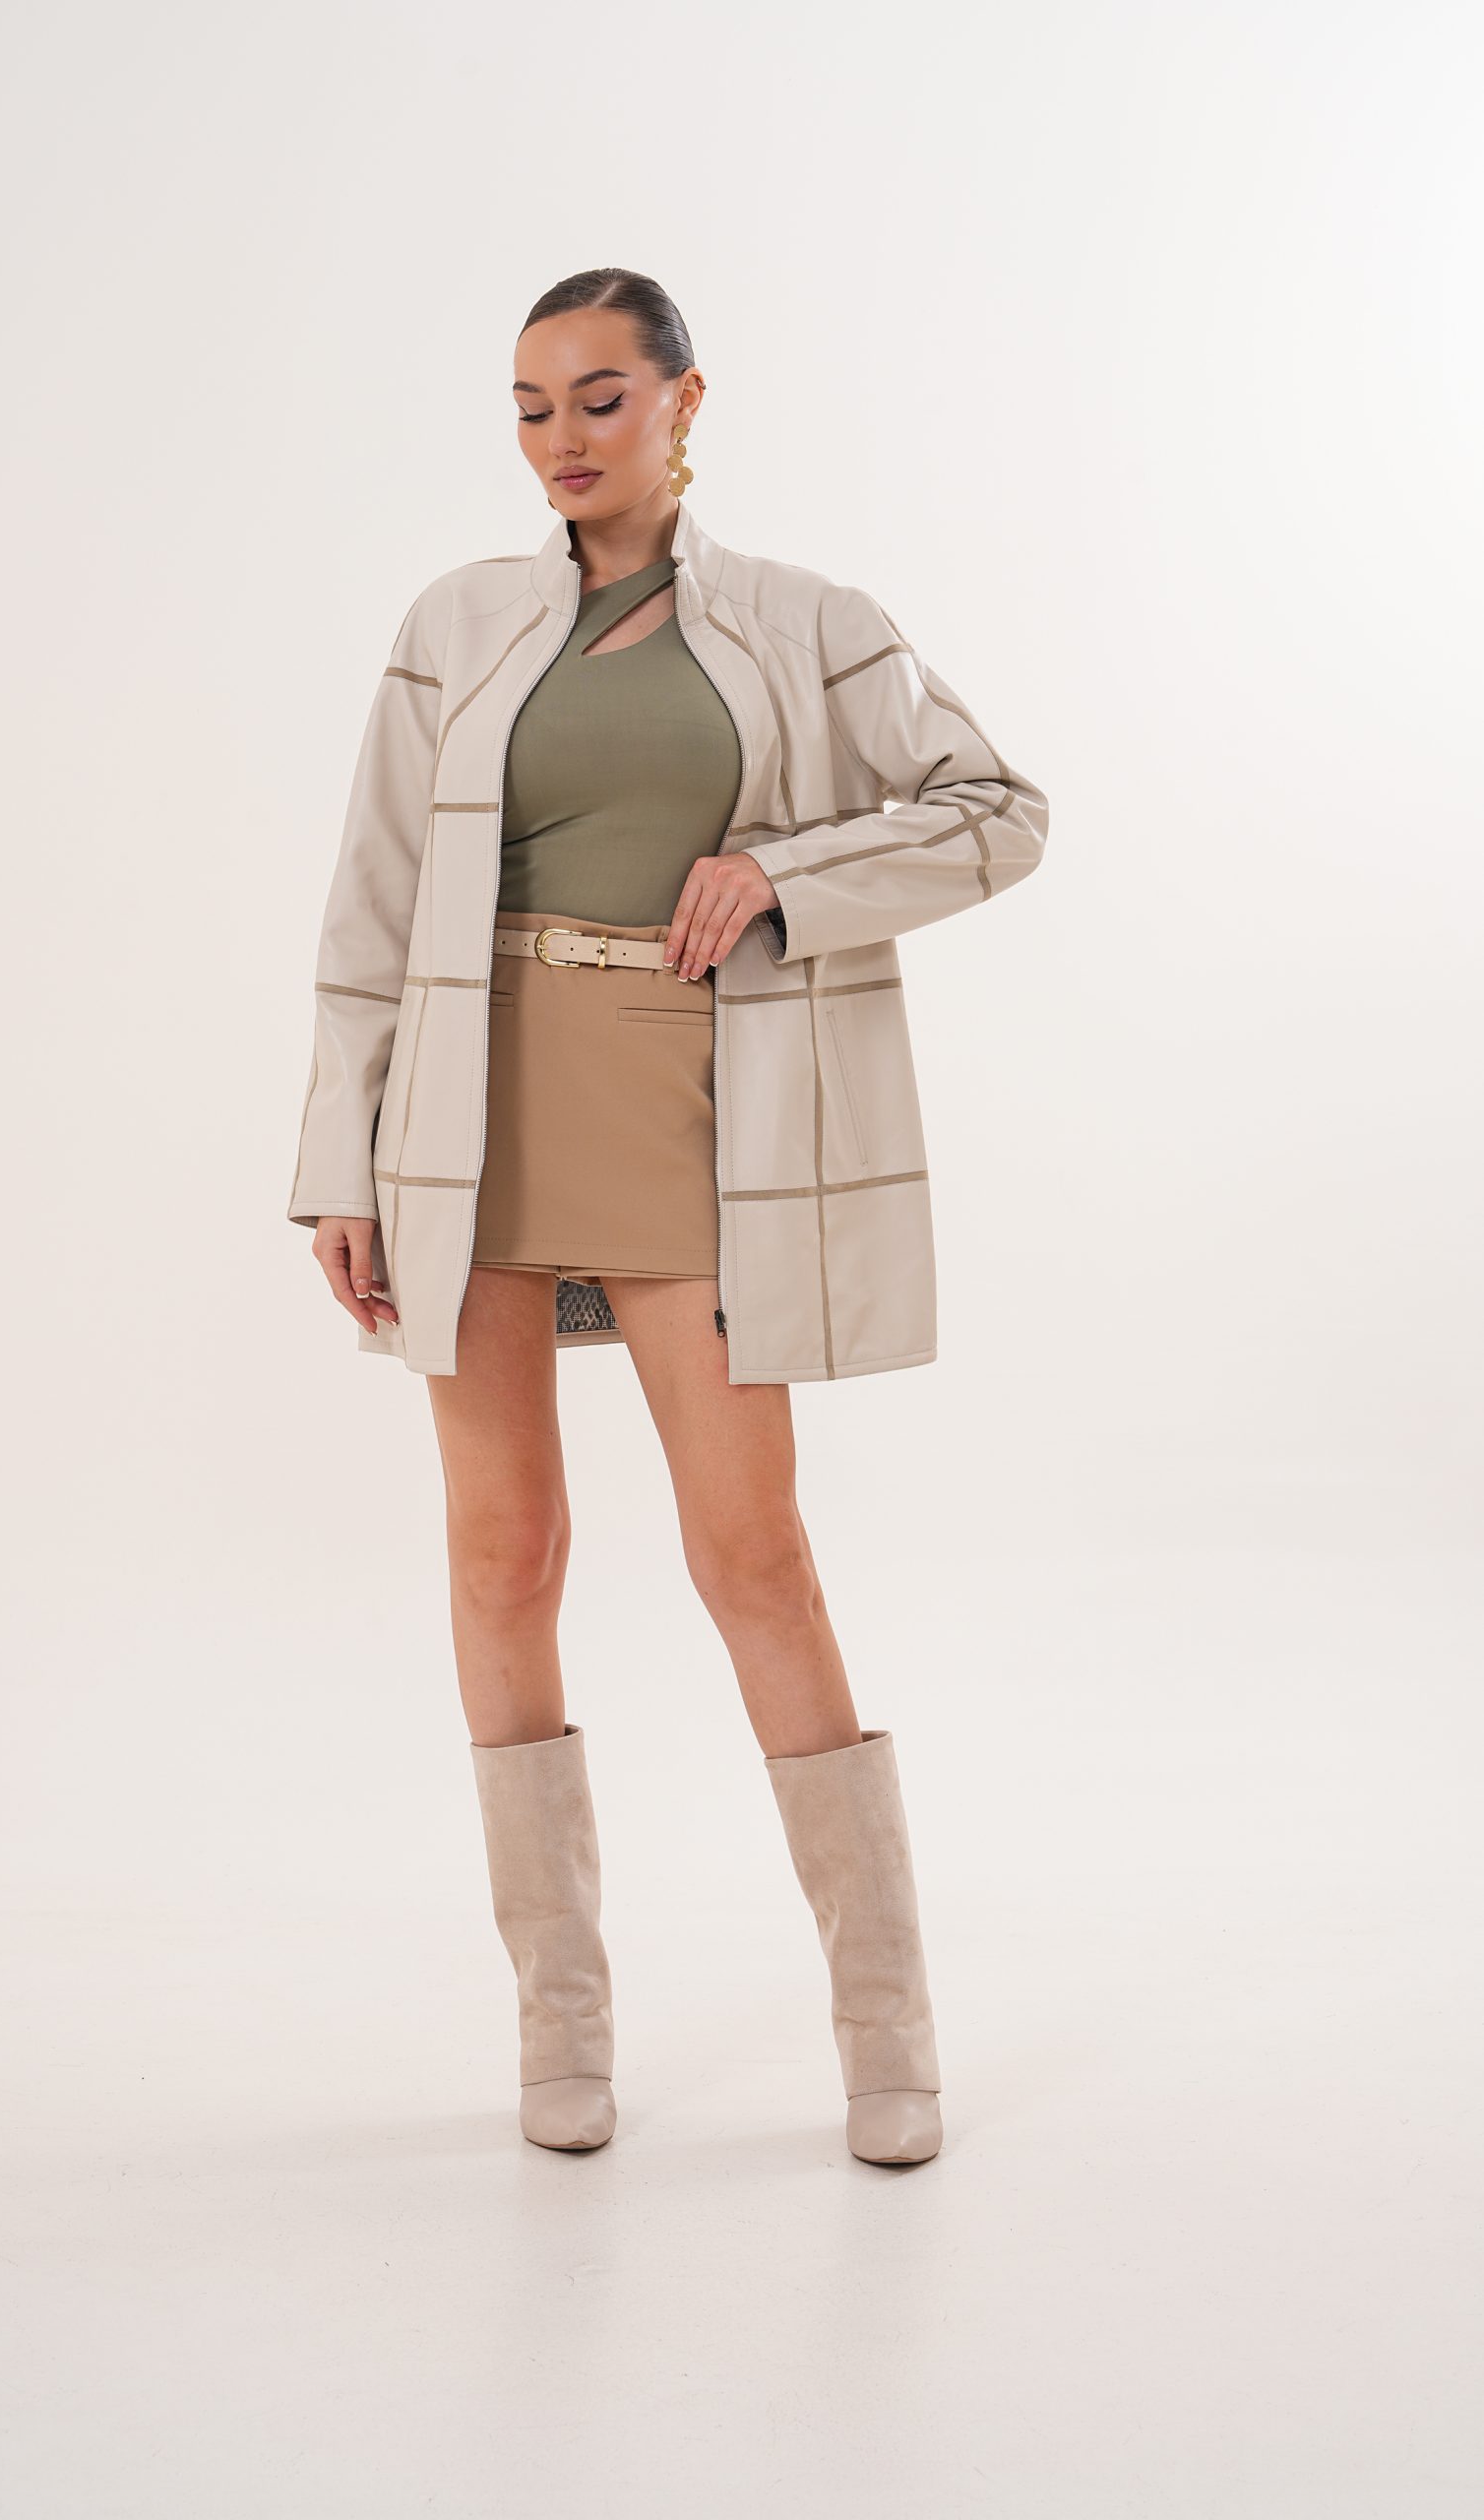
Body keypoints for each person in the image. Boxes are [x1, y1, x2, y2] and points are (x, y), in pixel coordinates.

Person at [288, 267, 1049, 2167]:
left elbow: (995, 810)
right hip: (466, 1124)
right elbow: (371, 904)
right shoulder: (453, 624)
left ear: (685, 404)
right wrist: (337, 1162)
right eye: (530, 406)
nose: (560, 438)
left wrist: (786, 871)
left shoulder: (810, 622)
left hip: (691, 1120)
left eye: (599, 398)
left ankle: (885, 2034)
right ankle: (558, 2023)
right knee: (502, 1556)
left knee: (752, 1557)